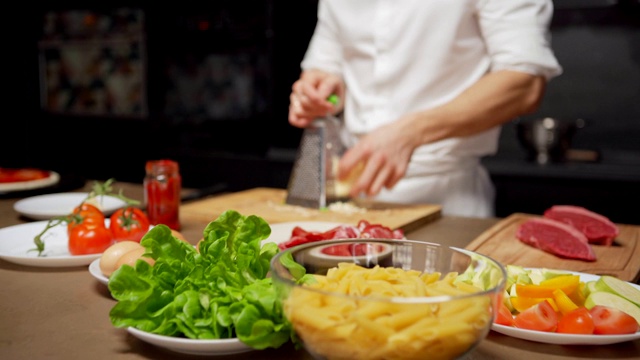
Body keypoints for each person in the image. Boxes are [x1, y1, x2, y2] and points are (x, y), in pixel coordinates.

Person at [288, 0, 563, 218]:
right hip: (354, 199)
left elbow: (525, 82)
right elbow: (326, 66)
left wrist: (410, 133)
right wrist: (318, 91)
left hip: (448, 201)